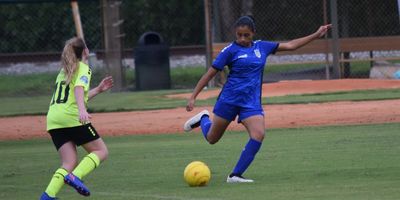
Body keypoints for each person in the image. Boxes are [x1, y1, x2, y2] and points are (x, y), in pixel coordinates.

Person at [183, 16, 331, 183]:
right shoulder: (230, 51)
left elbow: (291, 45)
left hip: (250, 103)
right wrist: (193, 96)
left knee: (258, 134)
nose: (242, 39)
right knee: (212, 139)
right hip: (229, 100)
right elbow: (210, 73)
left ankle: (235, 175)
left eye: (246, 35)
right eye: (239, 35)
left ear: (253, 33)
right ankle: (203, 118)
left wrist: (316, 34)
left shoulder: (262, 47)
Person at [40, 37, 114, 199]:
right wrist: (82, 110)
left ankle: (47, 196)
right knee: (101, 151)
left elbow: (74, 95)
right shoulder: (83, 68)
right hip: (72, 117)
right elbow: (79, 89)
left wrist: (98, 90)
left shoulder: (64, 70)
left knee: (69, 162)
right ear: (85, 52)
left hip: (54, 120)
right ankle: (76, 176)